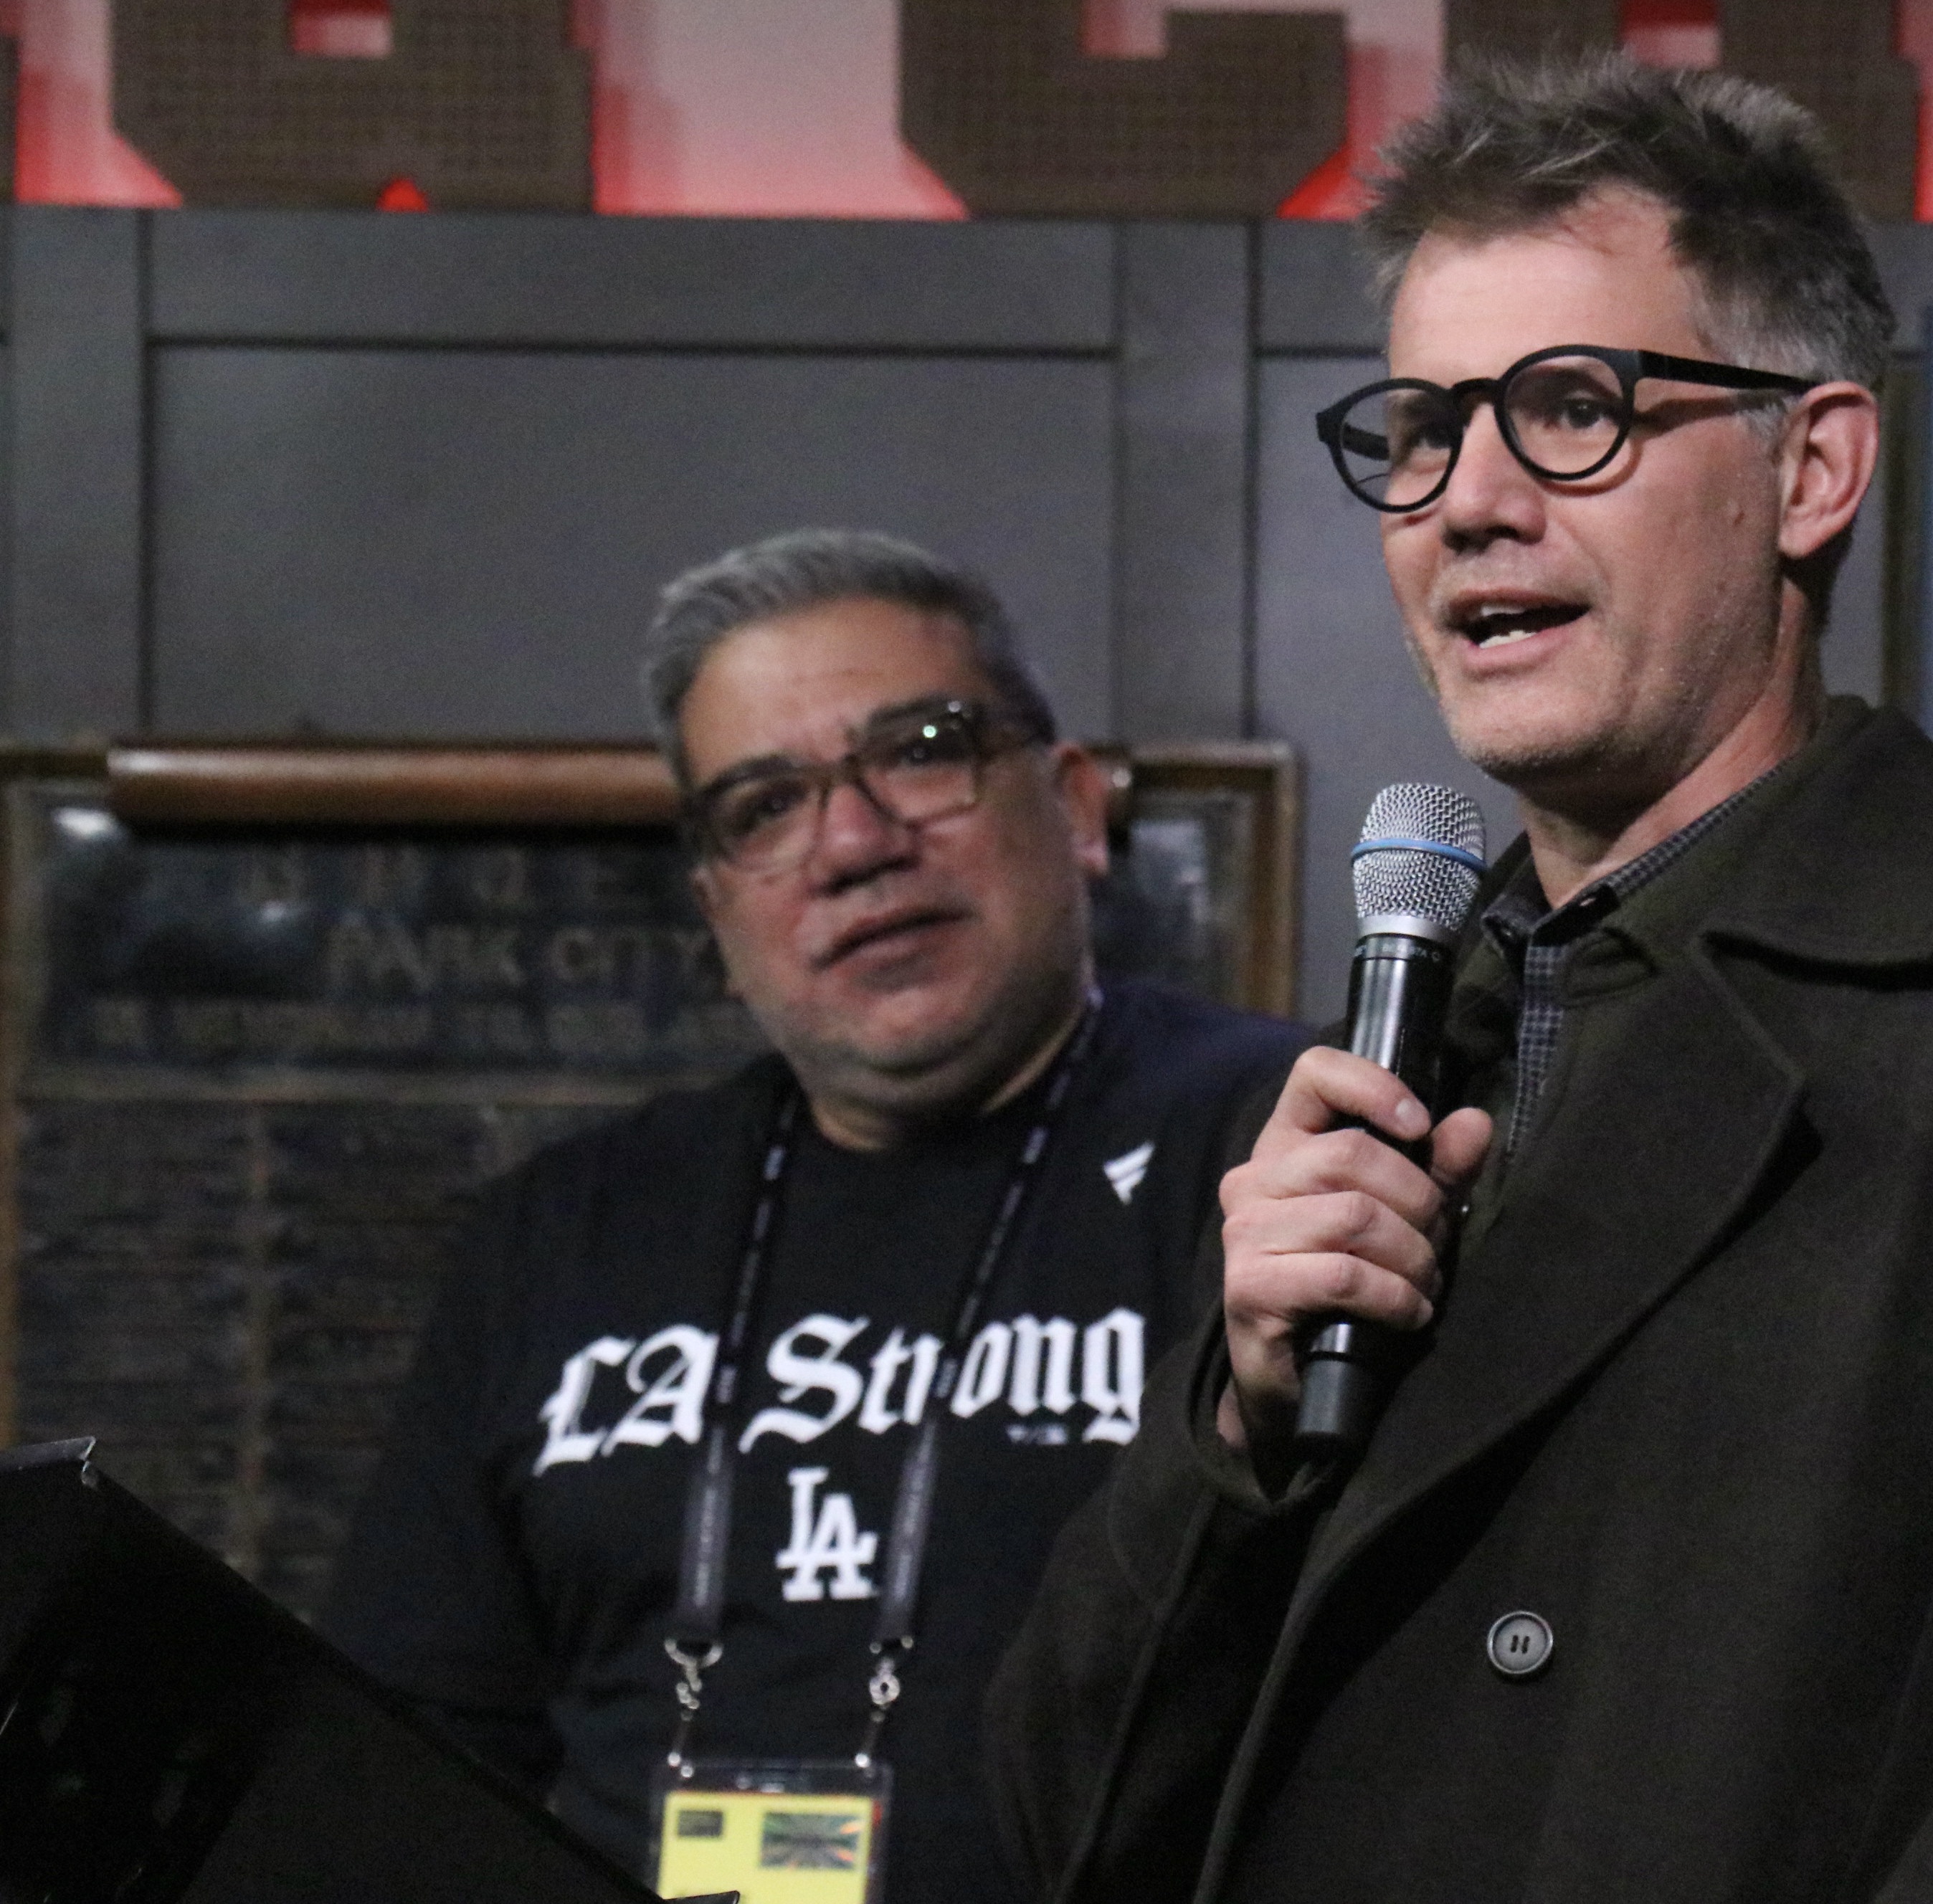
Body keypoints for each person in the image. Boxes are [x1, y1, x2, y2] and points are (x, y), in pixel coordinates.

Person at [987, 56, 1933, 1903]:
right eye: (1419, 429)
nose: (1466, 501)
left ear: (1813, 466)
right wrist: (1233, 1431)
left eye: (1569, 409)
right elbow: (1053, 1824)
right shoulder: (1391, 1059)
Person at [325, 530, 1309, 1900]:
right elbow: (409, 1754)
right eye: (763, 807)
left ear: (1077, 807)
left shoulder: (1279, 1147)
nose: (853, 842)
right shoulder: (558, 1236)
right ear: (717, 908)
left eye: (920, 748)